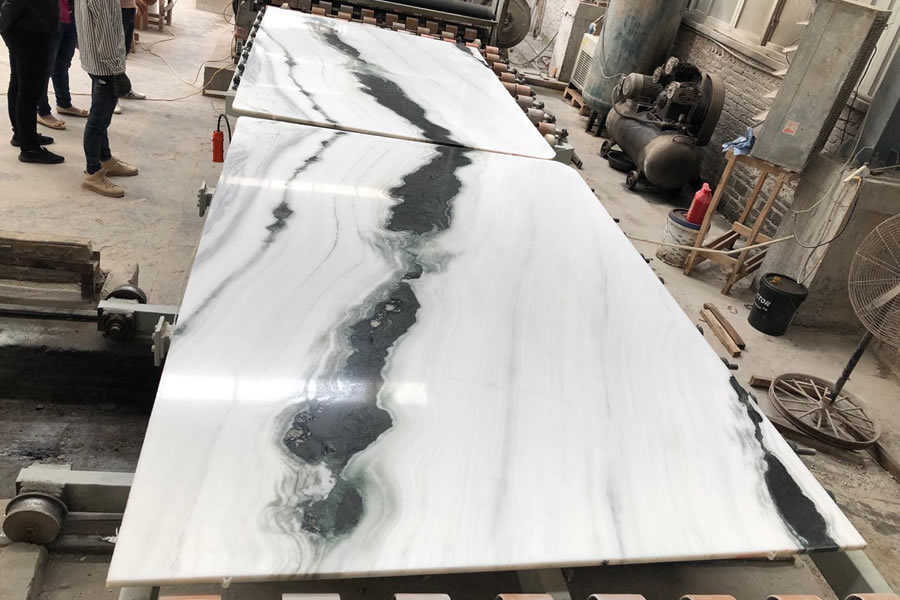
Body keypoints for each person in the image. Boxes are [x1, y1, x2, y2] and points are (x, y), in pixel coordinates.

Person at [75, 0, 140, 197]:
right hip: (105, 65)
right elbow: (107, 31)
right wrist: (117, 70)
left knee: (101, 115)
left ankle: (105, 159)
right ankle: (93, 172)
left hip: (94, 57)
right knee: (99, 119)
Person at [0, 0, 65, 164]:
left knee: (19, 82)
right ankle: (30, 148)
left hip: (26, 26)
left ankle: (22, 135)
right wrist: (5, 23)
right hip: (29, 29)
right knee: (29, 89)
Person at [36, 0, 89, 131]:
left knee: (63, 64)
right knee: (45, 68)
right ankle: (41, 110)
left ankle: (64, 103)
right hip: (50, 18)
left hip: (70, 15)